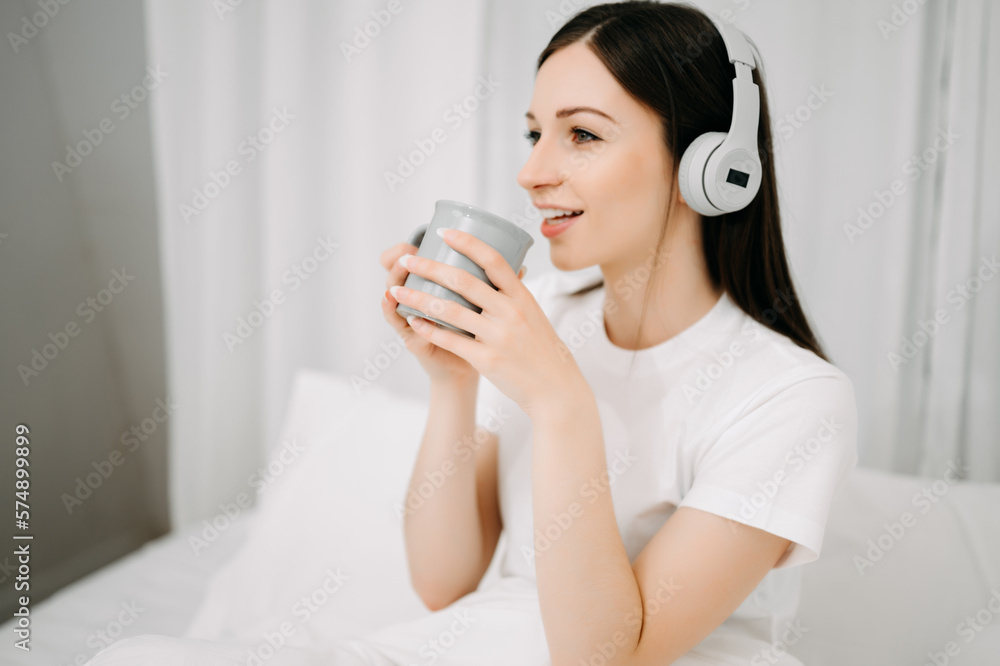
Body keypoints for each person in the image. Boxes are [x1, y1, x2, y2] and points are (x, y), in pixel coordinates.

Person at [86, 2, 856, 664]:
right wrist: (451, 381)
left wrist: (558, 399)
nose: (533, 173)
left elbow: (607, 655)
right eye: (534, 135)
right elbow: (443, 582)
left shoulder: (790, 397)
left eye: (582, 136)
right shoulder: (547, 312)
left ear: (711, 166)